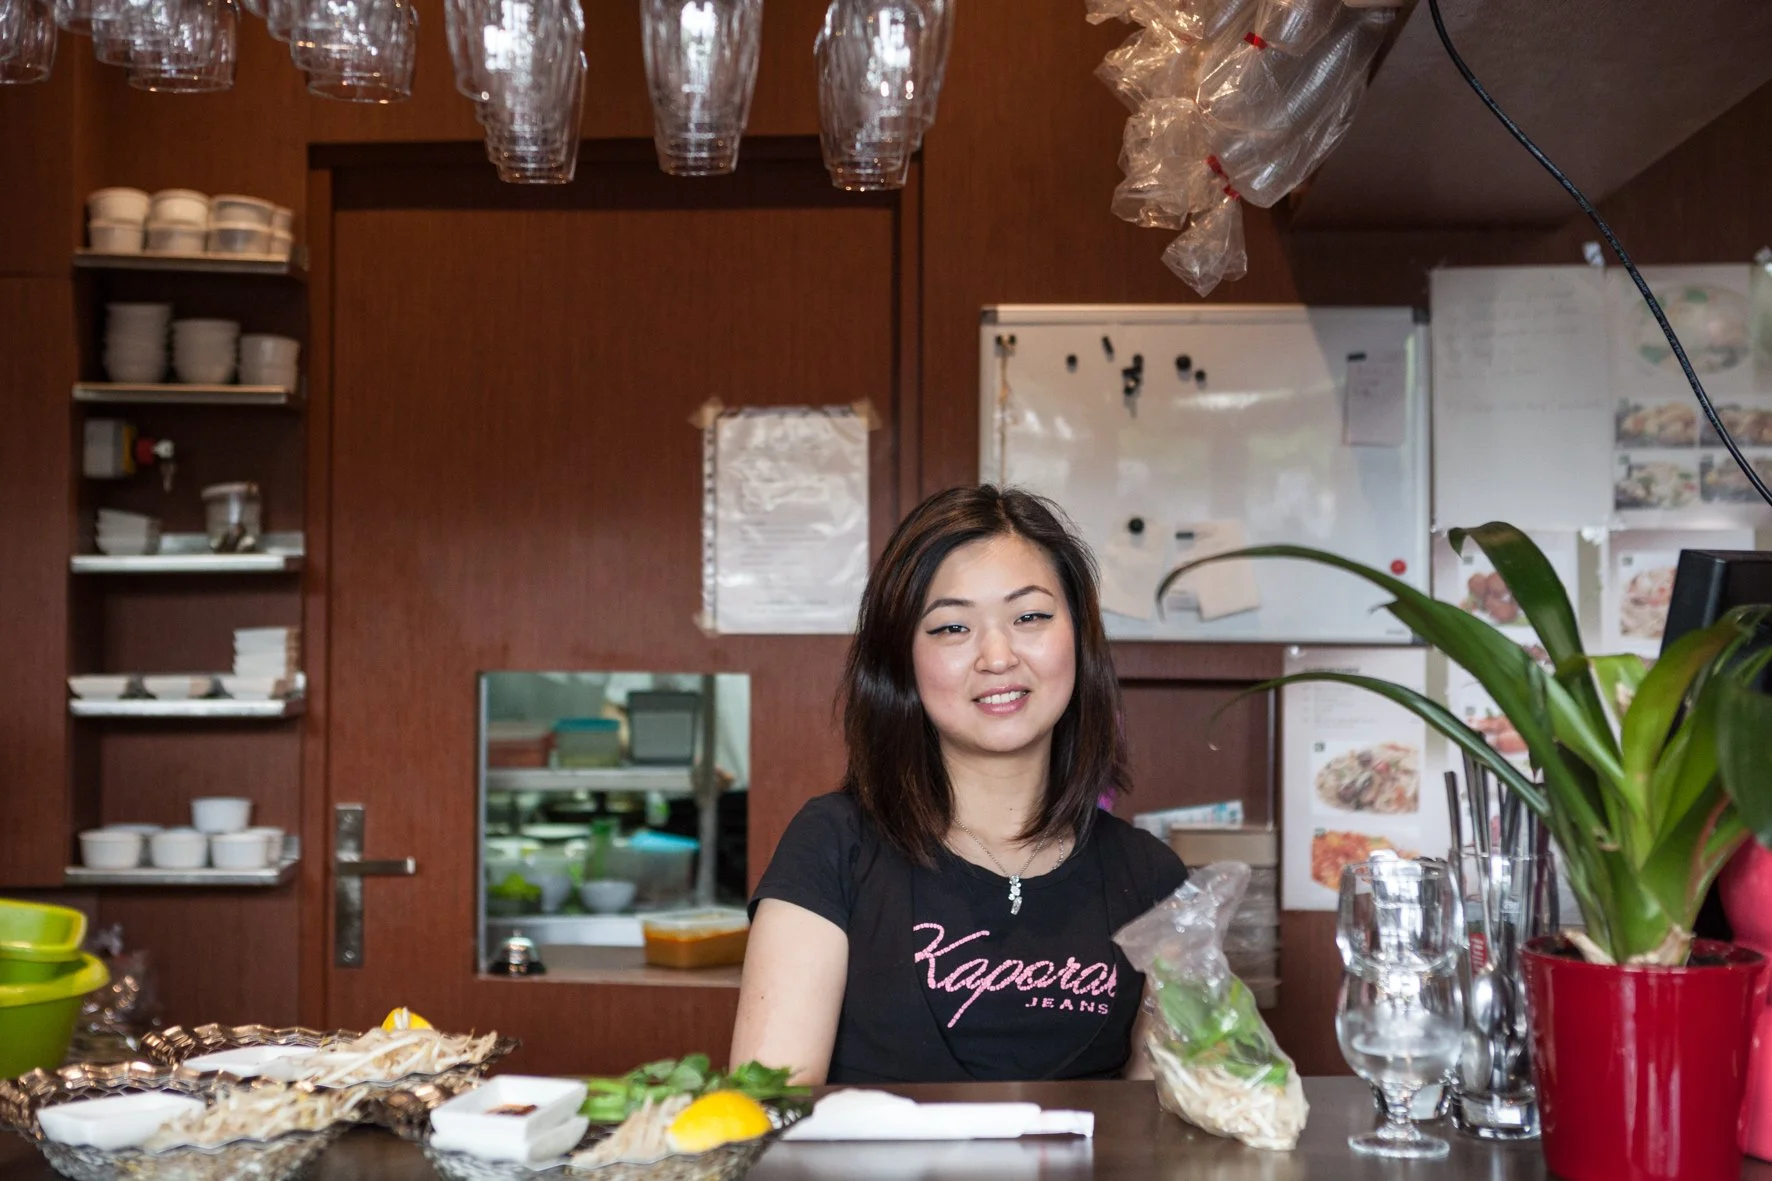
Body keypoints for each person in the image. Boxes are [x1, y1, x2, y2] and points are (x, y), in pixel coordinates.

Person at [730, 485, 1188, 1085]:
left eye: (1030, 617)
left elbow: (1174, 1126)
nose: (997, 656)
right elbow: (767, 1113)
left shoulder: (1152, 879)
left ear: (1078, 636)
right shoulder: (832, 847)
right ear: (903, 661)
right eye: (951, 628)